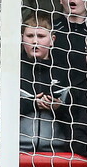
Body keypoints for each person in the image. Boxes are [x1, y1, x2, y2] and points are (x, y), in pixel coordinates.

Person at [20, 14, 69, 154]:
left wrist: (58, 107)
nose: (35, 41)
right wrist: (32, 104)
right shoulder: (12, 71)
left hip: (58, 154)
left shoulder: (65, 73)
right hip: (18, 152)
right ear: (22, 38)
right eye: (29, 36)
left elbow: (77, 115)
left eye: (41, 36)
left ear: (52, 39)